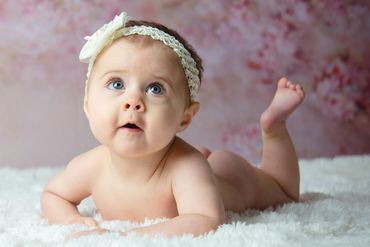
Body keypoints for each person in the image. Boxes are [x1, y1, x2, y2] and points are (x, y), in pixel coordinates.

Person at [41, 11, 305, 238]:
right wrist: (72, 221)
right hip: (196, 165)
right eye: (117, 84)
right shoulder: (90, 166)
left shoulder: (186, 167)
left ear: (185, 117)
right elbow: (54, 195)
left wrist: (127, 237)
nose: (133, 101)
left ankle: (274, 129)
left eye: (155, 88)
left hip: (227, 175)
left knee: (283, 191)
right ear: (87, 104)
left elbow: (206, 218)